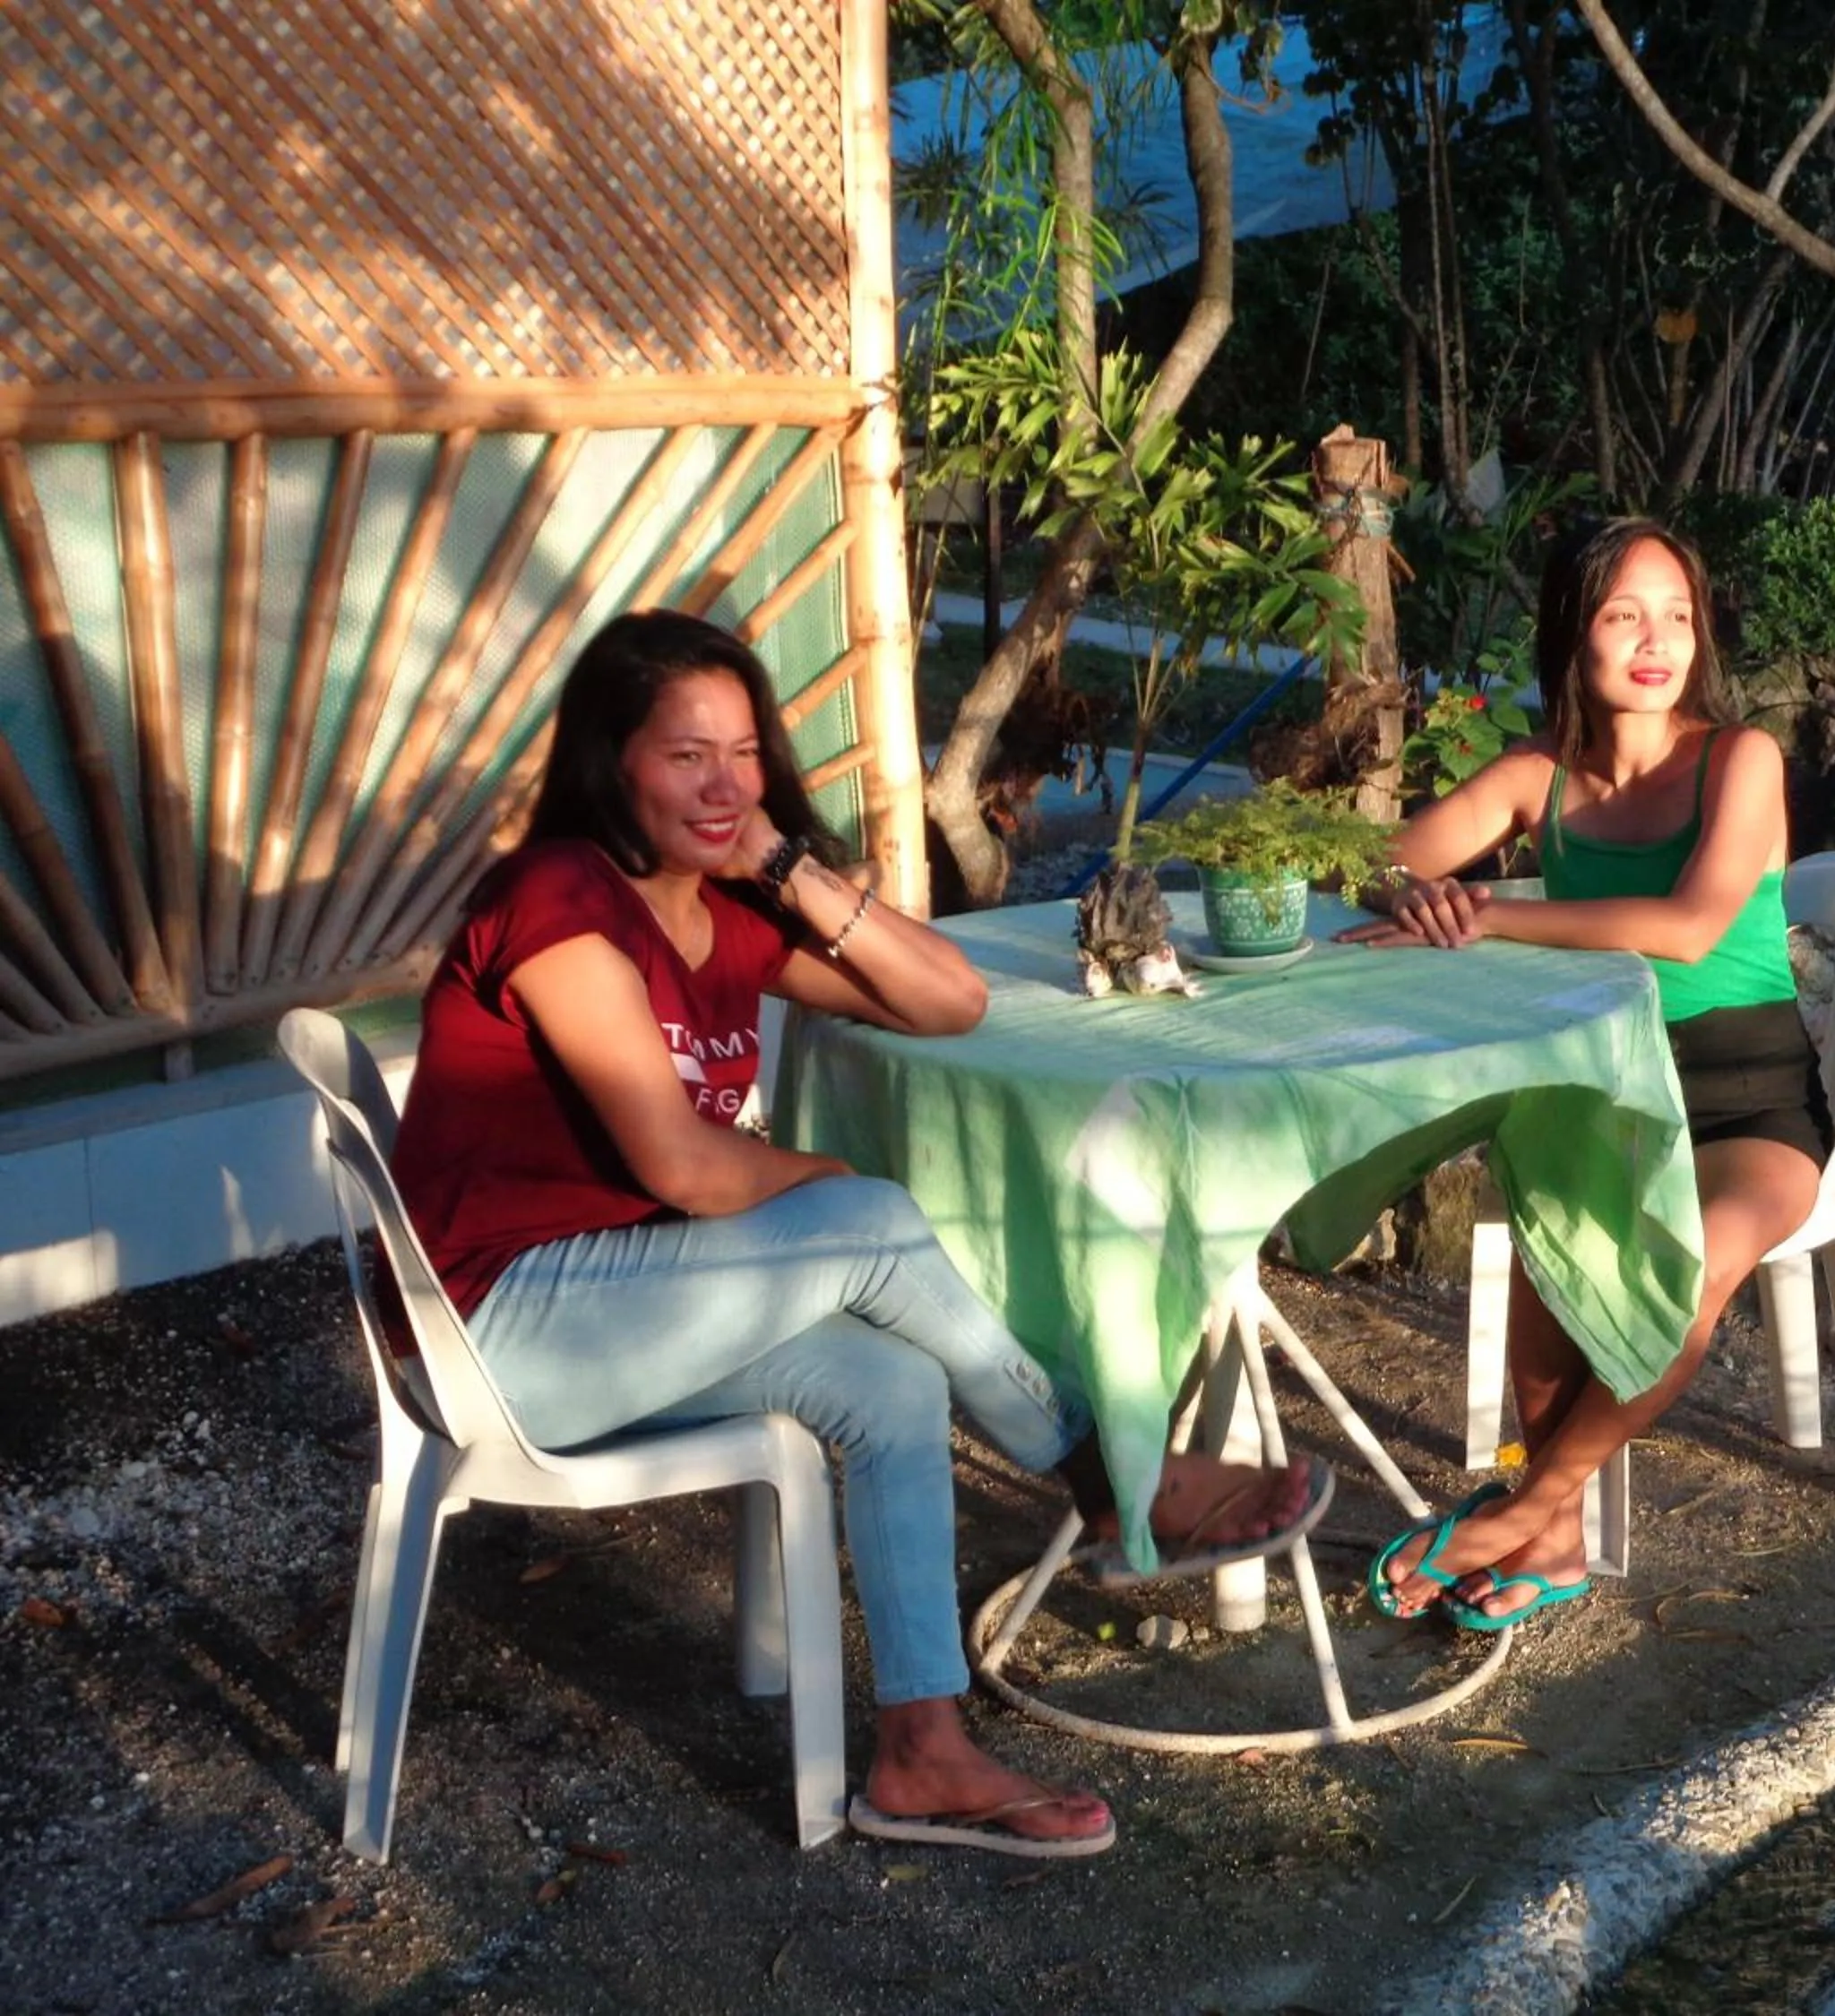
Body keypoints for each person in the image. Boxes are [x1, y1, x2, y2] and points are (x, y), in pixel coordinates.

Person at [392, 610, 1326, 1857]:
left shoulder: (719, 911)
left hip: (624, 1311)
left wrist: (782, 863)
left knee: (888, 1379)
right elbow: (680, 1162)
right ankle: (1113, 1479)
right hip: (506, 1328)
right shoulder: (561, 897)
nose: (724, 784)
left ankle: (919, 1750)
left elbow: (952, 999)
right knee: (872, 1218)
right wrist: (838, 1192)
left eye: (745, 754)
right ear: (610, 760)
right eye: (685, 756)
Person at [1340, 518, 1825, 1628]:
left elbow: (1692, 928)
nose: (1657, 642)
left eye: (1677, 616)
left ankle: (1524, 1510)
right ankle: (1552, 1546)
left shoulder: (1740, 759)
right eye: (1623, 616)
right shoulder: (1535, 777)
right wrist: (1413, 898)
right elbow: (1365, 860)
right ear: (1575, 635)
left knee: (1686, 1263)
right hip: (1604, 1084)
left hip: (1751, 1100)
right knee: (1553, 1241)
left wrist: (1490, 915)